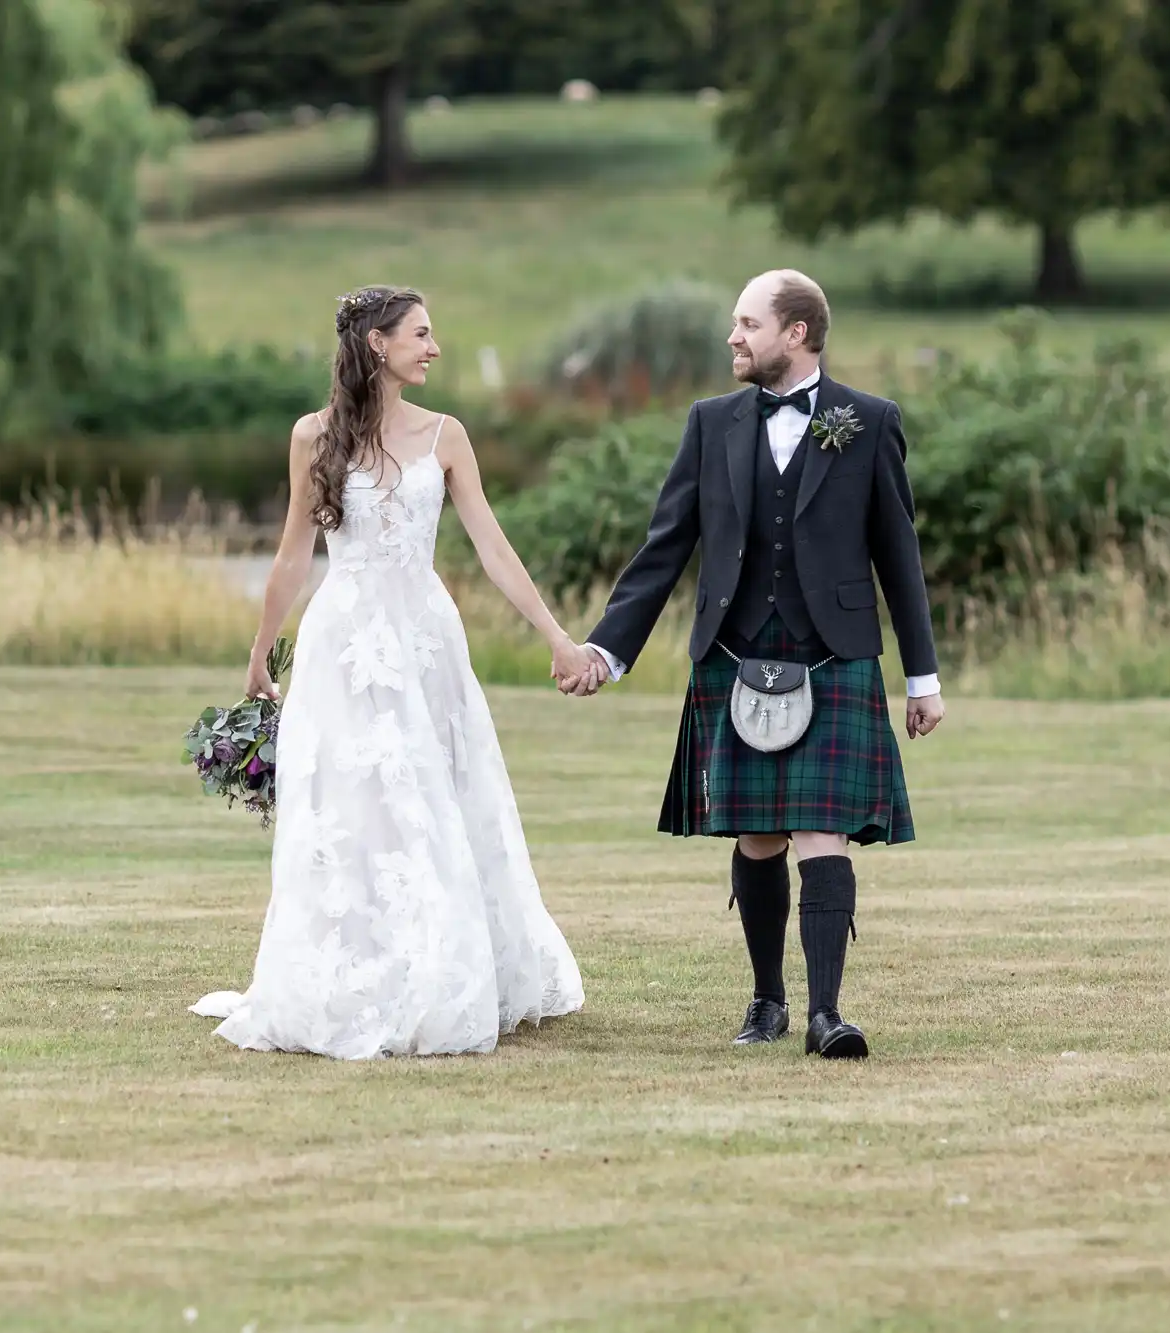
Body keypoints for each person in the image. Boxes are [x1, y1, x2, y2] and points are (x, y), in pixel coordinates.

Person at [191, 285, 586, 1059]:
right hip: (343, 637)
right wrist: (261, 651)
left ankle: (445, 963)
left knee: (438, 793)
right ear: (377, 343)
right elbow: (291, 555)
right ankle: (355, 968)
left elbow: (493, 547)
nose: (434, 347)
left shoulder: (447, 436)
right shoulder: (314, 436)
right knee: (353, 800)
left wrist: (557, 635)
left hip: (425, 639)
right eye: (421, 334)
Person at [560, 269, 944, 1060]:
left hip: (833, 651)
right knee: (761, 836)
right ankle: (767, 1000)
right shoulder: (712, 422)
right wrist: (607, 647)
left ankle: (826, 1014)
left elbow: (898, 554)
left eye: (747, 323)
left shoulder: (866, 421)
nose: (733, 337)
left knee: (821, 828)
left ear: (795, 333)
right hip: (734, 652)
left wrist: (923, 675)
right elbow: (664, 549)